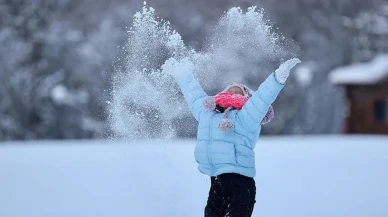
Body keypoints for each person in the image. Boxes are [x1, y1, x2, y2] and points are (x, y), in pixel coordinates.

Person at [161, 57, 301, 217]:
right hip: (217, 181)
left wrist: (277, 78)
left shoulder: (248, 115)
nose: (234, 92)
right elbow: (193, 94)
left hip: (241, 183)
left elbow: (263, 97)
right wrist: (181, 73)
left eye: (239, 91)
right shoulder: (207, 112)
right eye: (230, 90)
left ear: (248, 98)